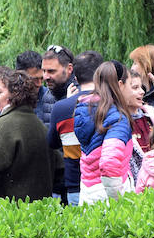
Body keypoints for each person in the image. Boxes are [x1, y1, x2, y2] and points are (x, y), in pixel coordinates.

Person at [0, 70, 62, 203]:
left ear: (14, 95)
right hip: (40, 209)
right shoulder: (40, 126)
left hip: (11, 210)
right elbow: (59, 166)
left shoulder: (5, 124)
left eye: (0, 92)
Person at [74, 61, 135, 204]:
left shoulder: (84, 110)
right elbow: (109, 162)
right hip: (108, 194)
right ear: (120, 84)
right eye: (131, 85)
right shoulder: (117, 117)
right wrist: (116, 202)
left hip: (87, 191)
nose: (132, 91)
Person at [48, 51, 103, 206]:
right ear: (101, 75)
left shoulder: (61, 108)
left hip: (75, 182)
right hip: (105, 180)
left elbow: (52, 143)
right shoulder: (110, 104)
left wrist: (66, 101)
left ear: (76, 77)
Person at [16, 50, 56, 130]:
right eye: (34, 79)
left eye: (42, 78)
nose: (39, 84)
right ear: (20, 75)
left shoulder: (50, 98)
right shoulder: (7, 98)